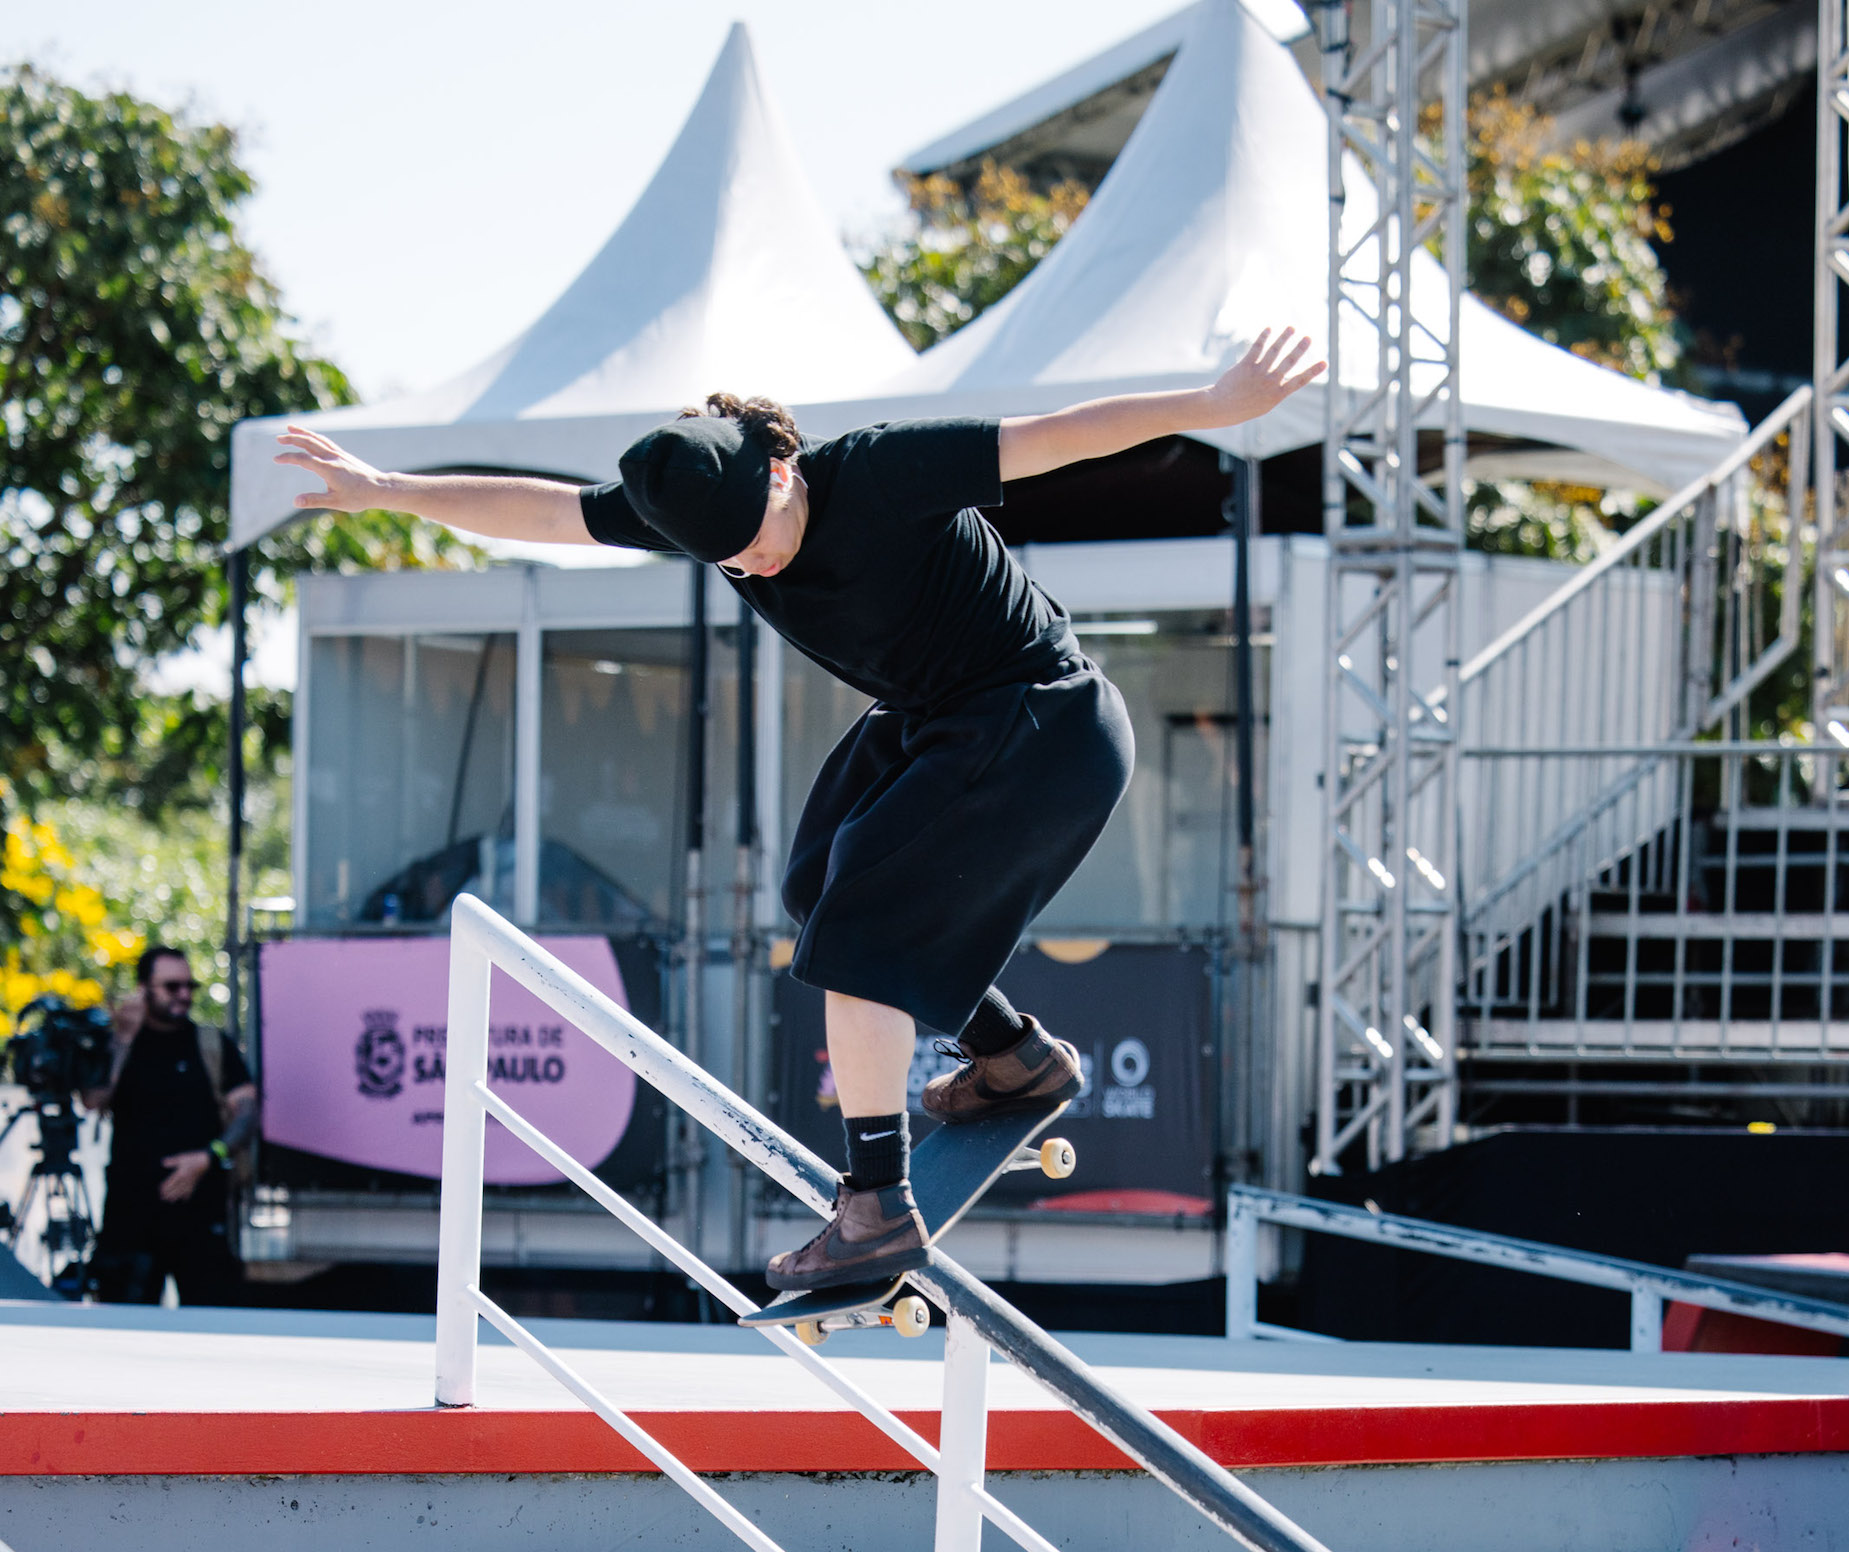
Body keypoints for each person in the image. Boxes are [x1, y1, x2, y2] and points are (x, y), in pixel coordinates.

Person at [275, 328, 1322, 1288]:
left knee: (857, 933)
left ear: (782, 471)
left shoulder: (880, 471)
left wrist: (1212, 406)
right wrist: (386, 490)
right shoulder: (701, 509)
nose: (754, 563)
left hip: (1040, 719)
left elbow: (1054, 437)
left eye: (757, 538)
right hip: (931, 720)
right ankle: (1013, 1057)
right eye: (727, 560)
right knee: (815, 886)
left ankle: (874, 1204)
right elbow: (546, 511)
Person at [84, 947, 258, 1304]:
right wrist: (123, 1039)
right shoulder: (118, 1044)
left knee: (212, 1317)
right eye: (171, 986)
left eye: (189, 986)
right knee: (124, 1318)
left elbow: (248, 1110)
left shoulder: (210, 1043)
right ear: (144, 989)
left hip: (200, 1213)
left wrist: (210, 1156)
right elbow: (93, 1100)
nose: (183, 995)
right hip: (131, 1215)